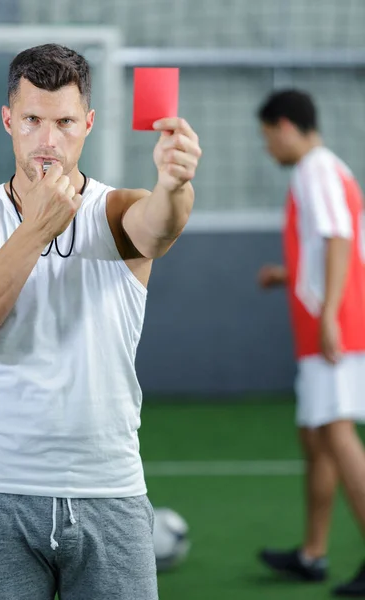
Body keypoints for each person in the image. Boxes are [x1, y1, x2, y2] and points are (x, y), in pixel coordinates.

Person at [0, 44, 201, 600]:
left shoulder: (118, 210)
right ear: (8, 121)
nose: (49, 140)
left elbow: (161, 225)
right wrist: (36, 227)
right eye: (33, 120)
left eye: (65, 122)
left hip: (109, 490)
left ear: (88, 124)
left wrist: (175, 184)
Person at [256, 89, 365, 597]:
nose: (267, 149)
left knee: (337, 433)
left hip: (335, 328)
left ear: (284, 126)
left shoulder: (314, 169)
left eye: (266, 138)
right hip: (330, 322)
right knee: (317, 437)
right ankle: (313, 555)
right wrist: (290, 275)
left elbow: (340, 238)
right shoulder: (328, 169)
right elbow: (329, 245)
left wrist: (329, 317)